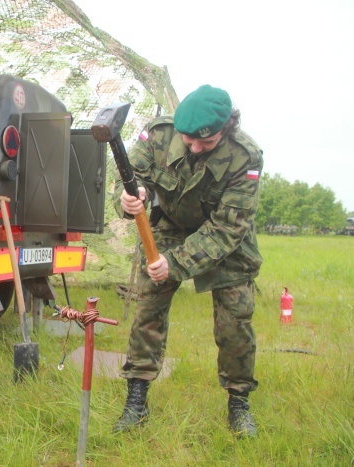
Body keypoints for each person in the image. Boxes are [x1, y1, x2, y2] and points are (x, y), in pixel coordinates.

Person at [112, 85, 263, 438]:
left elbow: (227, 227)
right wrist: (131, 198)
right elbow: (130, 176)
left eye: (205, 143)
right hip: (170, 228)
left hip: (227, 241)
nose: (194, 148)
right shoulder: (160, 134)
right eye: (188, 140)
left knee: (235, 322)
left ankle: (238, 405)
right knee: (147, 308)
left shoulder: (246, 157)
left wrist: (175, 264)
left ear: (226, 129)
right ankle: (137, 400)